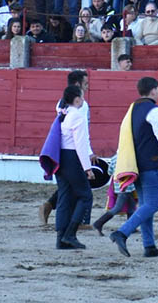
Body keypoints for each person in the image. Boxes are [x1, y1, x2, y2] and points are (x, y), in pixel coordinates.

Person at [108, 77, 158, 258]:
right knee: (153, 204)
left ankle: (149, 246)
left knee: (145, 205)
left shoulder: (131, 111)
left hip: (135, 166)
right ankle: (122, 232)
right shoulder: (155, 111)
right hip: (151, 164)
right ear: (154, 90)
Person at [49, 83, 95, 249]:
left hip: (60, 158)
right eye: (82, 96)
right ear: (77, 100)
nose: (83, 99)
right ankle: (70, 234)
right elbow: (80, 144)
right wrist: (87, 168)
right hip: (72, 158)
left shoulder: (64, 113)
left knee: (64, 197)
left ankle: (60, 239)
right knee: (85, 196)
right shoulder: (77, 116)